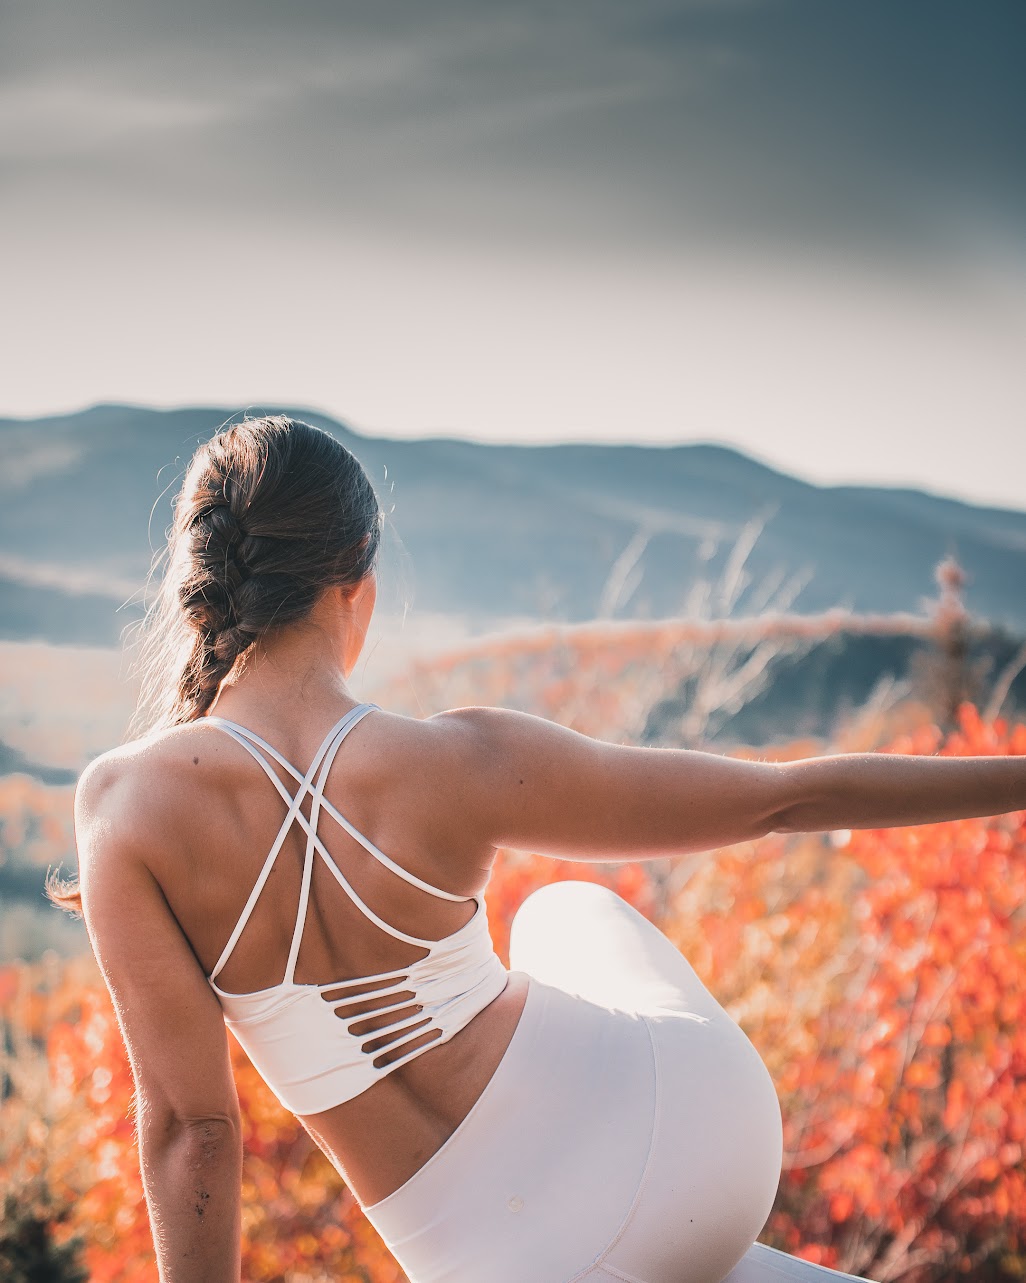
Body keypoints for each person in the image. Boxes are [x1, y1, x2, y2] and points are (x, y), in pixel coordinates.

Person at [52, 415, 1026, 1283]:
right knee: (558, 908)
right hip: (692, 1149)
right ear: (359, 583)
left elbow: (196, 1130)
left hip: (496, 1261)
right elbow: (786, 797)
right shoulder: (461, 758)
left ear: (202, 588)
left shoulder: (126, 807)